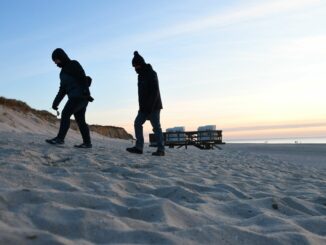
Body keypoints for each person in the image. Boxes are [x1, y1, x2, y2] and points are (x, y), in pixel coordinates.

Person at [46, 48, 93, 148]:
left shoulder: (73, 64)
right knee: (80, 120)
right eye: (54, 61)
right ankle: (87, 143)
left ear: (61, 57)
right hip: (75, 97)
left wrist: (86, 91)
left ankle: (60, 139)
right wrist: (55, 103)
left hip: (80, 96)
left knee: (66, 113)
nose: (55, 62)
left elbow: (82, 76)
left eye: (56, 60)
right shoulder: (62, 73)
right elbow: (62, 90)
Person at [126, 51, 165, 156]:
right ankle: (139, 147)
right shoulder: (140, 76)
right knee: (137, 123)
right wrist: (142, 107)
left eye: (136, 66)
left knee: (156, 127)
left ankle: (161, 150)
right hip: (143, 107)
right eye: (134, 67)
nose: (135, 69)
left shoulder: (151, 73)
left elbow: (154, 92)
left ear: (141, 64)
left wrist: (150, 108)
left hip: (154, 106)